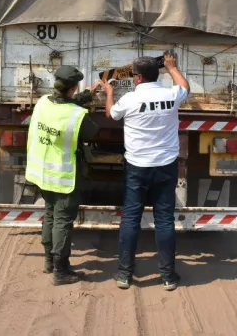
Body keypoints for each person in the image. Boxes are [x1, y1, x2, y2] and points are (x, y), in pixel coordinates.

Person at [102, 51, 190, 291]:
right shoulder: (171, 95)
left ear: (138, 78)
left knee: (131, 218)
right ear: (156, 74)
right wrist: (172, 67)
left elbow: (111, 114)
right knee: (164, 220)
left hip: (137, 167)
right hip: (165, 166)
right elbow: (185, 87)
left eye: (134, 75)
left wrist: (109, 92)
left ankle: (124, 275)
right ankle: (168, 277)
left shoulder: (130, 99)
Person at [26, 65, 100, 286]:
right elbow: (92, 131)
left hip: (42, 174)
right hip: (63, 176)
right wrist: (85, 101)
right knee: (63, 221)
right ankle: (61, 271)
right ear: (73, 88)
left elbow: (63, 106)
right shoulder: (77, 115)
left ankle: (49, 261)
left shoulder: (42, 103)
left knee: (49, 214)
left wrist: (85, 96)